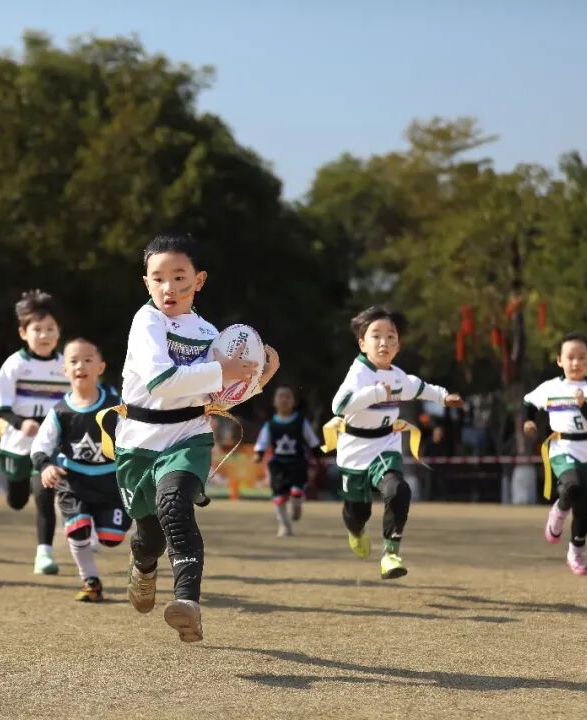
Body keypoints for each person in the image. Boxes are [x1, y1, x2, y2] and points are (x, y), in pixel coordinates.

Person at [112, 232, 279, 642]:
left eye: (180, 277)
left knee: (175, 504)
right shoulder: (146, 321)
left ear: (199, 280)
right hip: (138, 440)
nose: (169, 287)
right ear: (146, 282)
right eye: (159, 278)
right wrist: (225, 371)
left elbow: (215, 397)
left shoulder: (210, 334)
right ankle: (143, 566)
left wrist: (255, 381)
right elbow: (161, 381)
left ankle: (187, 602)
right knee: (148, 536)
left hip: (188, 435)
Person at [328, 307, 463, 580]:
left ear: (398, 345)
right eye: (376, 336)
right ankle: (355, 530)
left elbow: (420, 387)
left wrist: (444, 397)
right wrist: (374, 393)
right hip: (354, 449)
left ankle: (390, 553)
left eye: (391, 337)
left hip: (385, 444)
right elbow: (338, 405)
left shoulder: (398, 376)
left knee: (398, 489)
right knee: (357, 513)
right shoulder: (358, 374)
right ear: (362, 343)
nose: (383, 343)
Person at [31, 338, 130, 602]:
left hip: (111, 483)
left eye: (88, 360)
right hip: (72, 482)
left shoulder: (116, 406)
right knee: (77, 529)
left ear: (100, 367)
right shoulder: (60, 411)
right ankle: (90, 581)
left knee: (111, 538)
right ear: (64, 370)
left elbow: (135, 439)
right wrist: (46, 466)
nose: (80, 366)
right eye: (73, 361)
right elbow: (41, 445)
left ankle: (100, 531)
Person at [524, 332, 587, 576]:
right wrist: (529, 422)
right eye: (570, 357)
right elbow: (528, 402)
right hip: (562, 448)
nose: (576, 363)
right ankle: (557, 513)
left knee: (585, 509)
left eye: (582, 357)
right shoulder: (551, 387)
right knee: (571, 486)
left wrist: (583, 406)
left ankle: (575, 552)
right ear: (559, 360)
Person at [0, 290, 67, 574]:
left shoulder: (66, 365)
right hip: (18, 442)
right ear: (23, 332)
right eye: (37, 329)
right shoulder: (15, 364)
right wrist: (21, 422)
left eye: (50, 329)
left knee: (44, 494)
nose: (44, 335)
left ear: (59, 331)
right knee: (18, 500)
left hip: (49, 446)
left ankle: (43, 554)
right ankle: (15, 490)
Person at [252, 385, 320, 537]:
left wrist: (317, 454)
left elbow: (311, 439)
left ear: (294, 402)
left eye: (288, 397)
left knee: (297, 489)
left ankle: (297, 503)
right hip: (278, 464)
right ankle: (284, 525)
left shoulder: (301, 421)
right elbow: (262, 442)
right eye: (280, 396)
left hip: (298, 462)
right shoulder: (270, 424)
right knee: (278, 495)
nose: (284, 400)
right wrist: (259, 454)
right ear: (274, 402)